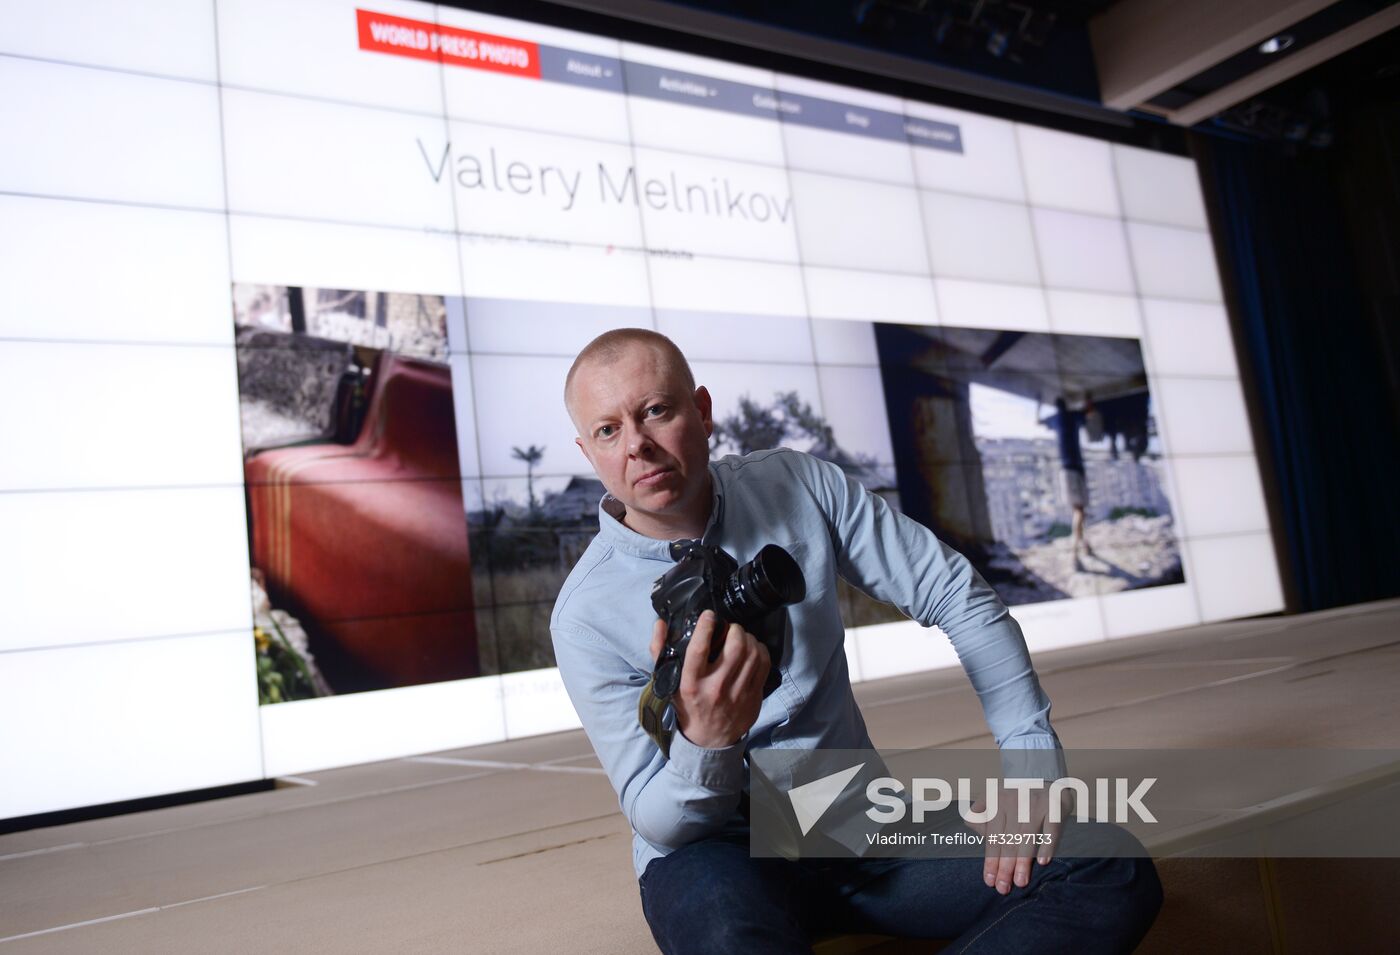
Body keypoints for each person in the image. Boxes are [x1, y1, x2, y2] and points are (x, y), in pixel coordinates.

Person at [551, 329, 1161, 953]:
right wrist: (707, 743)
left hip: (852, 820)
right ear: (588, 451)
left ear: (702, 411)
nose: (638, 446)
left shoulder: (797, 485)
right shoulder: (584, 616)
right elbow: (657, 817)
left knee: (1105, 864)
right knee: (731, 939)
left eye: (656, 410)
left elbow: (954, 591)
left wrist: (1029, 754)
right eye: (608, 431)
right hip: (715, 852)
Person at [1053, 396, 1095, 571]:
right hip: (1076, 469)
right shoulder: (1072, 416)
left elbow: (1038, 422)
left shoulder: (1055, 419)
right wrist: (1088, 399)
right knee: (1080, 511)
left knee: (1078, 512)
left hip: (1065, 470)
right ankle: (1074, 554)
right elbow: (1089, 412)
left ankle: (1085, 546)